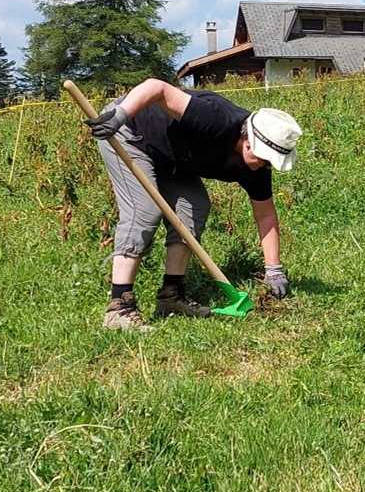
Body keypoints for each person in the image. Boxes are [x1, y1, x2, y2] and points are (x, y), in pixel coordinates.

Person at [83, 78, 302, 330]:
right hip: (129, 131)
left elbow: (265, 216)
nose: (263, 166)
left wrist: (273, 269)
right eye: (263, 159)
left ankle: (171, 296)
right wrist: (120, 114)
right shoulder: (216, 119)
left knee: (195, 207)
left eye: (268, 163)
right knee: (144, 211)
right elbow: (157, 87)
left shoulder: (257, 167)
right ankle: (119, 308)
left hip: (172, 155)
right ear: (249, 140)